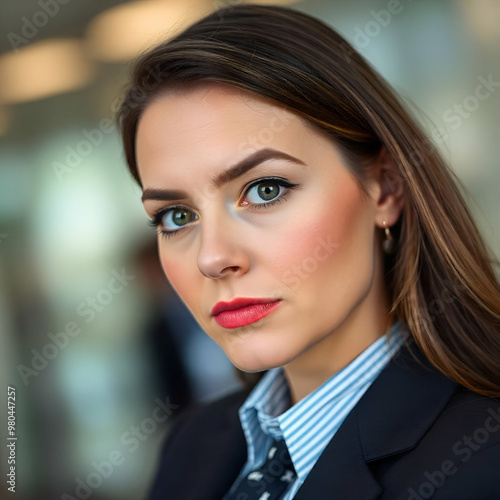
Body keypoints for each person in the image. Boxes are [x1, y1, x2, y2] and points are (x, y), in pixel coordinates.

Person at [117, 5, 500, 499]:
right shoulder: (191, 450)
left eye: (266, 190)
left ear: (384, 188)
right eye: (177, 216)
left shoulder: (482, 462)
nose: (212, 258)